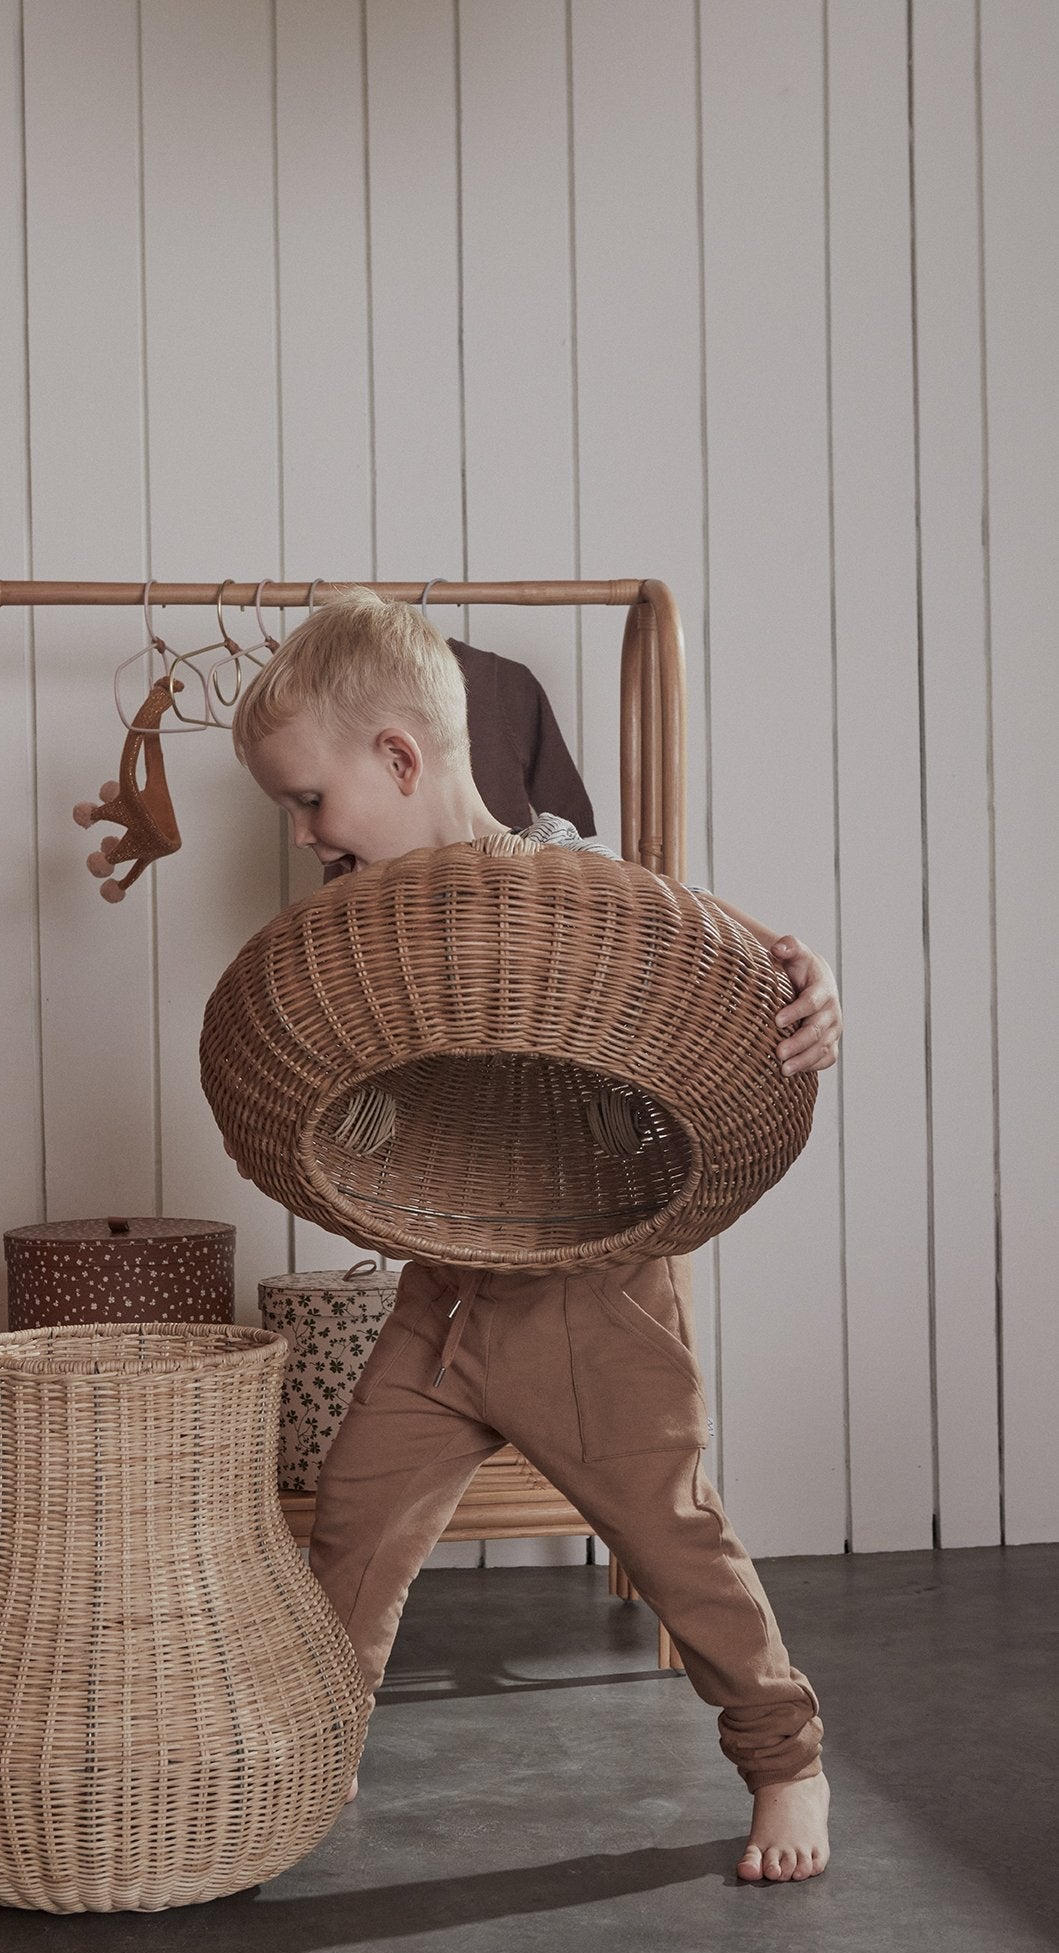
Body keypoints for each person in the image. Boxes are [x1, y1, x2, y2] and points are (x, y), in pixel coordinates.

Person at [225, 588, 841, 1885]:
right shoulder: (363, 940)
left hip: (594, 1298)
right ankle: (303, 1764)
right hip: (446, 1302)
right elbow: (381, 1116)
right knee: (354, 1523)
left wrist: (808, 993)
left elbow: (714, 982)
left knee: (672, 1534)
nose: (301, 837)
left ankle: (784, 1758)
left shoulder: (581, 898)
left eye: (311, 803)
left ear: (399, 761)